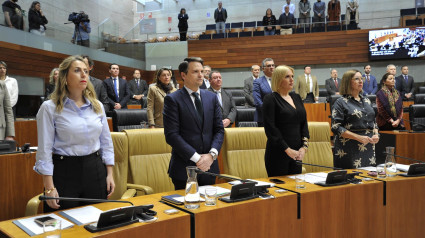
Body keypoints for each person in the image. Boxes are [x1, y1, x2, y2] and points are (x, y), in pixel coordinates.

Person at [34, 55, 115, 211]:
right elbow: (44, 150)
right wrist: (49, 187)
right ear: (65, 77)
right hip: (65, 171)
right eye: (77, 71)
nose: (84, 74)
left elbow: (106, 142)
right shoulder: (49, 108)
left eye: (86, 71)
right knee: (64, 227)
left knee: (96, 224)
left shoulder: (97, 105)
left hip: (95, 169)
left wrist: (109, 173)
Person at [163, 57, 224, 190]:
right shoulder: (172, 99)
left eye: (202, 71)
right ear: (183, 75)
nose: (201, 75)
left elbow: (219, 129)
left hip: (209, 167)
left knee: (210, 208)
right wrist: (198, 159)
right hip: (184, 169)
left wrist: (211, 155)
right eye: (195, 71)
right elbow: (172, 135)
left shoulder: (211, 98)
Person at [263, 65, 309, 176]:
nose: (292, 79)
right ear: (278, 79)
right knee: (282, 190)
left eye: (292, 76)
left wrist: (304, 147)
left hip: (297, 153)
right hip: (278, 153)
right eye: (287, 77)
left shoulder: (296, 97)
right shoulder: (270, 99)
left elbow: (304, 124)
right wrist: (287, 149)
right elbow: (270, 128)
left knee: (297, 189)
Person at [331, 70, 379, 169]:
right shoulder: (340, 102)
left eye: (362, 78)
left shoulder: (366, 100)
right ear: (348, 82)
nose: (361, 81)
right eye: (357, 79)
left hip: (368, 148)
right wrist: (359, 137)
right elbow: (336, 127)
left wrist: (376, 134)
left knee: (369, 180)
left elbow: (373, 122)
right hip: (348, 148)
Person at [253, 58, 274, 126]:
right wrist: (269, 112)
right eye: (269, 66)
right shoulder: (258, 82)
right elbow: (257, 100)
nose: (271, 67)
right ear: (263, 68)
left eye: (273, 65)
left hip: (279, 116)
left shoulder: (279, 81)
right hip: (264, 116)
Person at [0, 62, 14, 140]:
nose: (2, 70)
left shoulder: (2, 85)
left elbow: (8, 110)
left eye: (4, 68)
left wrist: (10, 134)